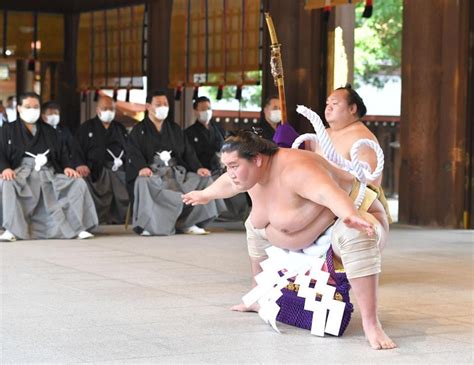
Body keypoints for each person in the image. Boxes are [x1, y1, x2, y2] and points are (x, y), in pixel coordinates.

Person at [182, 131, 396, 350]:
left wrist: (350, 215)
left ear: (257, 159)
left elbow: (328, 194)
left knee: (355, 234)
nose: (231, 173)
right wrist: (205, 194)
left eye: (234, 166)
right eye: (227, 166)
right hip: (305, 235)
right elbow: (227, 182)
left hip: (352, 217)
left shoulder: (296, 170)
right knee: (253, 225)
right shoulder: (251, 174)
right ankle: (257, 296)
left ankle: (372, 324)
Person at [0, 92, 97, 241]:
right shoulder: (7, 129)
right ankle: (12, 229)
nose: (32, 110)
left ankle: (76, 227)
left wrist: (67, 167)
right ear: (19, 108)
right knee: (6, 183)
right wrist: (5, 168)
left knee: (77, 182)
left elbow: (62, 153)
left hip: (48, 172)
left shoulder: (49, 130)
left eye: (35, 107)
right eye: (27, 107)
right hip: (21, 172)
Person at [126, 90, 224, 236]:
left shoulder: (174, 129)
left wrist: (197, 168)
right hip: (153, 174)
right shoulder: (138, 130)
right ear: (147, 106)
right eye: (158, 104)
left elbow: (188, 152)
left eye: (165, 104)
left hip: (176, 173)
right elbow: (132, 152)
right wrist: (142, 168)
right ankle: (150, 225)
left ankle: (189, 223)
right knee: (143, 182)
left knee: (204, 179)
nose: (163, 107)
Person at [185, 96, 249, 221]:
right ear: (195, 111)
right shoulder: (189, 133)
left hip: (221, 167)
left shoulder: (219, 130)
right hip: (204, 169)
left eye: (208, 108)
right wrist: (198, 167)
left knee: (239, 178)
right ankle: (217, 215)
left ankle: (239, 214)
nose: (206, 111)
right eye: (202, 109)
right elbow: (189, 154)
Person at [75, 96, 129, 224]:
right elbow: (76, 149)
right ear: (97, 109)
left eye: (111, 108)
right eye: (105, 108)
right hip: (94, 170)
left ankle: (119, 220)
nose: (108, 111)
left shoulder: (120, 128)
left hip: (118, 170)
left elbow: (129, 150)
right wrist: (80, 164)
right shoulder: (86, 128)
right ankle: (95, 220)